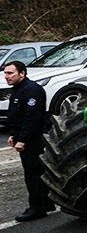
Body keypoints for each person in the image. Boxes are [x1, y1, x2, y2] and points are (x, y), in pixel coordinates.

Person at [4, 60, 53, 221]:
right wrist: (14, 135)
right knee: (36, 171)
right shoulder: (18, 89)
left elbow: (33, 118)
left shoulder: (32, 90)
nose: (6, 76)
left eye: (10, 73)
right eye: (5, 73)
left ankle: (37, 208)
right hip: (24, 136)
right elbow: (17, 115)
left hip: (34, 139)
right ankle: (46, 202)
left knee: (32, 174)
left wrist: (23, 140)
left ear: (22, 73)